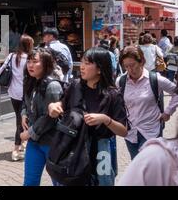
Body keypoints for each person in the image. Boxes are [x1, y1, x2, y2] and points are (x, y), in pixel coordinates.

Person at [49, 47, 128, 186]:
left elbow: (123, 131)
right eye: (82, 62)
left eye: (87, 63)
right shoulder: (75, 86)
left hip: (101, 150)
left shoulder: (113, 95)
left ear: (100, 69)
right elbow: (61, 104)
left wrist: (105, 119)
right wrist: (53, 106)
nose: (82, 67)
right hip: (73, 148)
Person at [116, 46, 178, 159]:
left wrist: (168, 112)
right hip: (130, 134)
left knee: (148, 166)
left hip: (151, 132)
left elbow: (176, 92)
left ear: (141, 62)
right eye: (126, 66)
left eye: (133, 65)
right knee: (136, 165)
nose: (130, 70)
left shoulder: (155, 79)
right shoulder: (121, 81)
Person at [20, 48, 63, 186]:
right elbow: (25, 103)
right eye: (28, 61)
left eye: (35, 61)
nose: (30, 65)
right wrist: (23, 114)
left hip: (52, 142)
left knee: (58, 181)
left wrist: (29, 132)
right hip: (35, 142)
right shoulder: (31, 81)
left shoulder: (53, 86)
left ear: (45, 64)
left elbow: (50, 117)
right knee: (30, 181)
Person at [0, 34, 34, 161]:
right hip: (27, 94)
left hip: (13, 93)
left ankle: (23, 143)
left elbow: (0, 71)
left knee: (20, 119)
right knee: (23, 120)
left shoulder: (12, 56)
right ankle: (16, 149)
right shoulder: (30, 59)